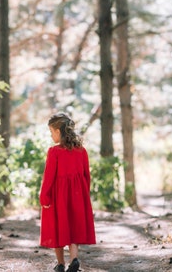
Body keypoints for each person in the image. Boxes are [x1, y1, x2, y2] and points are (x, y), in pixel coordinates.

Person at [39, 112, 96, 272]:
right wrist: (85, 194)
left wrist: (44, 196)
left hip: (59, 197)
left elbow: (48, 177)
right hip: (78, 195)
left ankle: (60, 264)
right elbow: (86, 175)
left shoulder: (54, 152)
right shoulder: (81, 151)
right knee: (74, 226)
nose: (51, 136)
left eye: (51, 132)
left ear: (58, 131)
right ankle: (74, 259)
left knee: (57, 227)